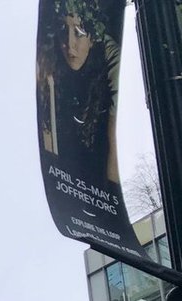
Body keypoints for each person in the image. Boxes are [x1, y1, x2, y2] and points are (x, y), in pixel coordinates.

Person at [36, 0, 122, 188]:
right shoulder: (50, 61)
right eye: (63, 31)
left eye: (79, 32)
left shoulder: (110, 59)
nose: (70, 45)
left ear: (92, 38)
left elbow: (112, 135)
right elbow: (47, 137)